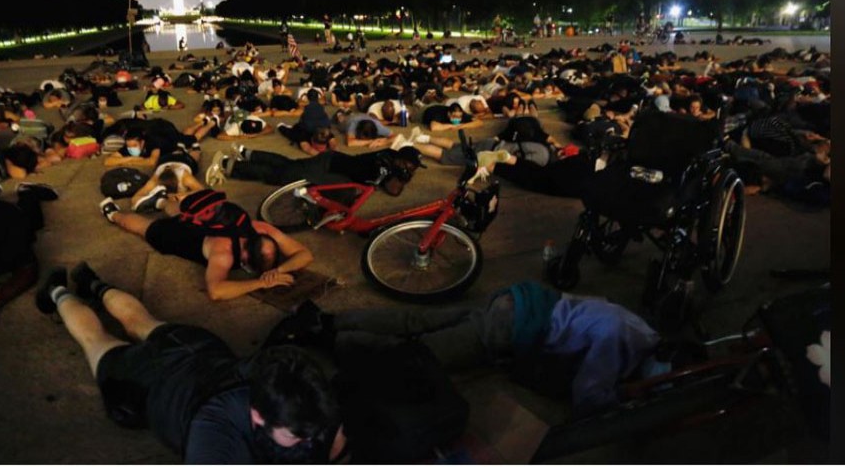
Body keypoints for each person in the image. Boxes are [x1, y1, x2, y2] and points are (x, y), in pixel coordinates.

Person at [34, 264, 346, 462]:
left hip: (197, 349)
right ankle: (57, 290)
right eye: (296, 435)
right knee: (95, 340)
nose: (313, 438)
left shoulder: (295, 388)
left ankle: (92, 283)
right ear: (256, 415)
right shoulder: (212, 436)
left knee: (139, 321)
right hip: (148, 382)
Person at [268, 281, 667, 419]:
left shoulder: (636, 325)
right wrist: (621, 401)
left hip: (516, 301)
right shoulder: (623, 341)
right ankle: (323, 338)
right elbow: (589, 396)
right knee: (418, 356)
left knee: (418, 321)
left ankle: (326, 319)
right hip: (510, 326)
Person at [98, 195, 312, 301]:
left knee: (180, 214)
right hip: (182, 238)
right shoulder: (224, 252)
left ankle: (162, 201)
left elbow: (305, 254)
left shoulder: (264, 230)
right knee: (147, 227)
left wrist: (279, 271)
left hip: (203, 228)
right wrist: (261, 283)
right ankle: (112, 212)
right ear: (246, 257)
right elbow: (216, 291)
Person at [206, 146, 425, 198]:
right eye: (410, 167)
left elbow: (392, 188)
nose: (411, 171)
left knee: (288, 165)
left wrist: (402, 174)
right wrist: (401, 176)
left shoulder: (390, 162)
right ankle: (227, 165)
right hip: (327, 167)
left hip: (332, 164)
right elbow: (393, 190)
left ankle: (246, 152)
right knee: (280, 176)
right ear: (401, 161)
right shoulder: (384, 163)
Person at [0, 182, 59, 322]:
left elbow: (28, 270)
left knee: (34, 221)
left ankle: (27, 191)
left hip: (9, 216)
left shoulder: (7, 236)